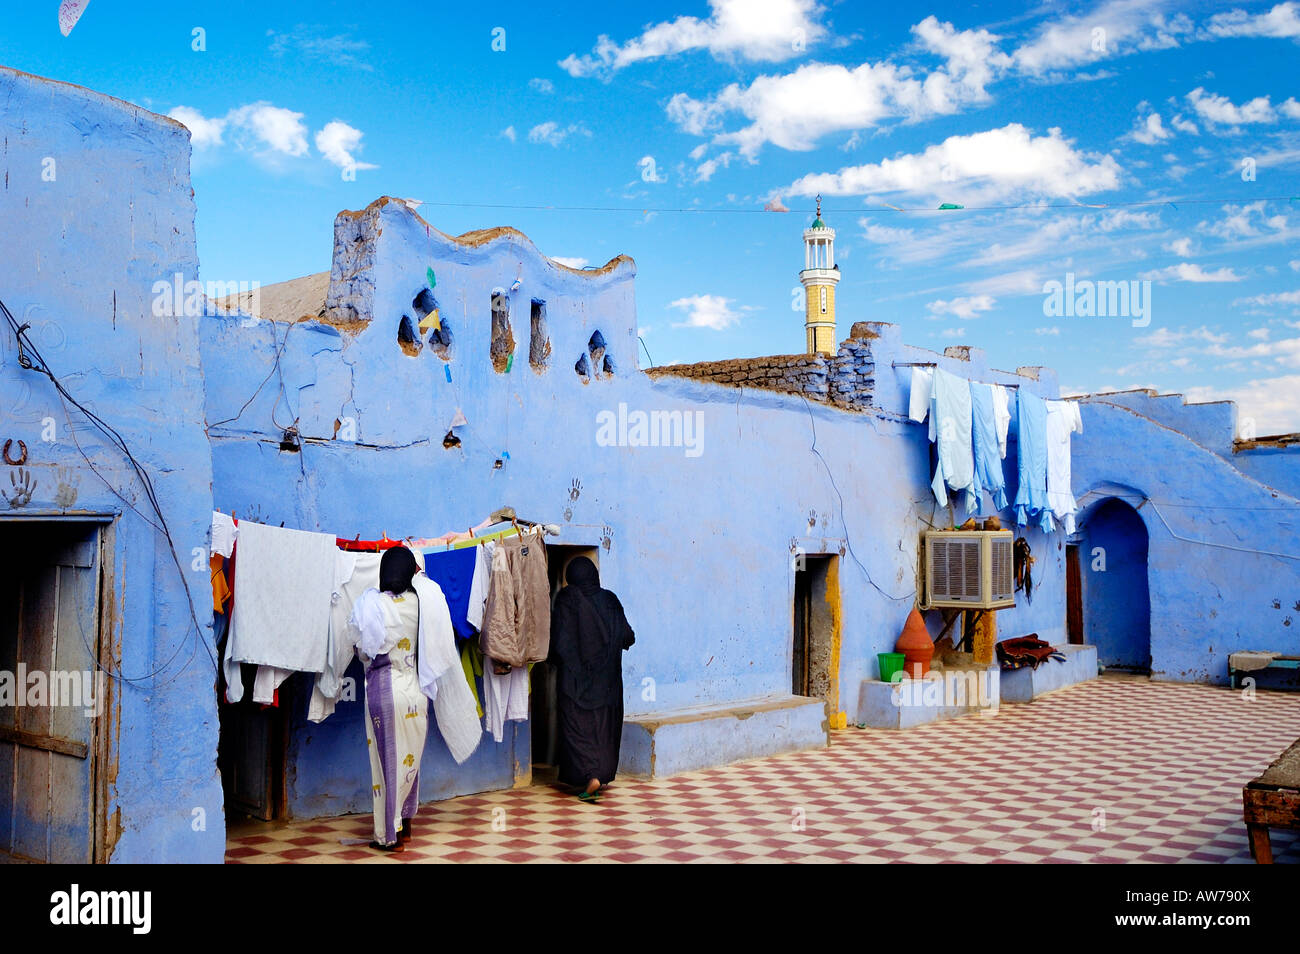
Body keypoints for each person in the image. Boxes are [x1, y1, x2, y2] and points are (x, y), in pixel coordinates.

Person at [351, 547, 428, 852]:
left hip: (385, 691)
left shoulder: (373, 604)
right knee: (410, 763)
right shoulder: (421, 603)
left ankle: (388, 837)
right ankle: (406, 827)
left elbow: (363, 649)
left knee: (385, 766)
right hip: (417, 692)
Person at [549, 556, 635, 801]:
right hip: (607, 686)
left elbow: (559, 644)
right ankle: (599, 776)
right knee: (604, 731)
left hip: (574, 685)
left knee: (577, 731)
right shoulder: (610, 600)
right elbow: (628, 637)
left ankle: (589, 777)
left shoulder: (567, 600)